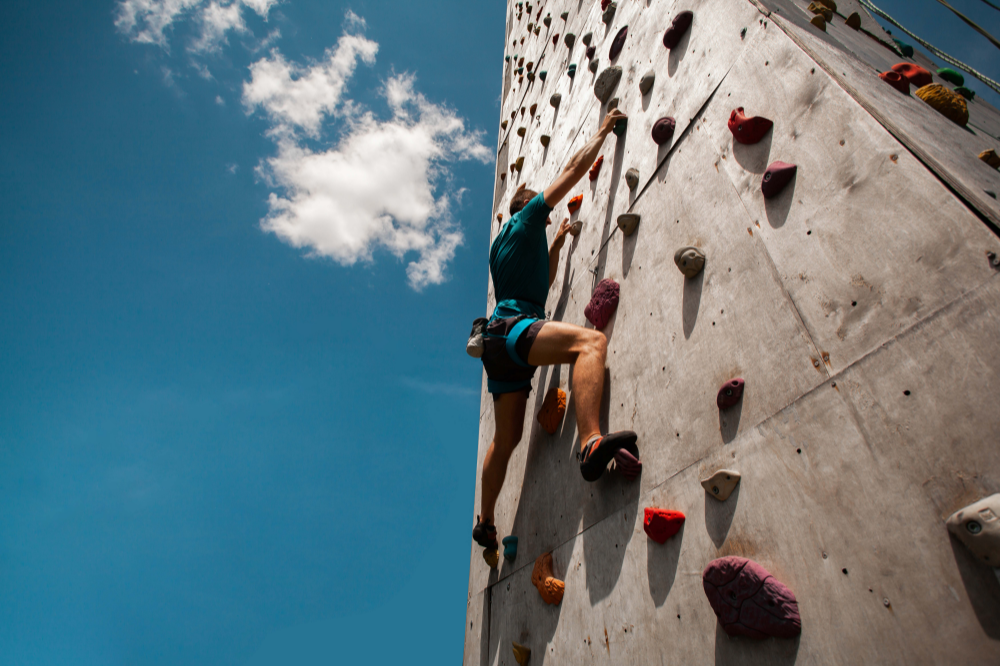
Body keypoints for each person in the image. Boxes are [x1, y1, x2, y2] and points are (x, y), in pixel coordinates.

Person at [472, 109, 642, 552]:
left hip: (499, 343)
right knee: (591, 343)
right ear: (529, 208)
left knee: (506, 439)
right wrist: (603, 129)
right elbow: (571, 170)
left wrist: (559, 245)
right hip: (514, 331)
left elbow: (537, 289)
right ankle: (590, 443)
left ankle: (486, 521)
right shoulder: (527, 217)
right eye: (546, 218)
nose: (547, 221)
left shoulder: (501, 249)